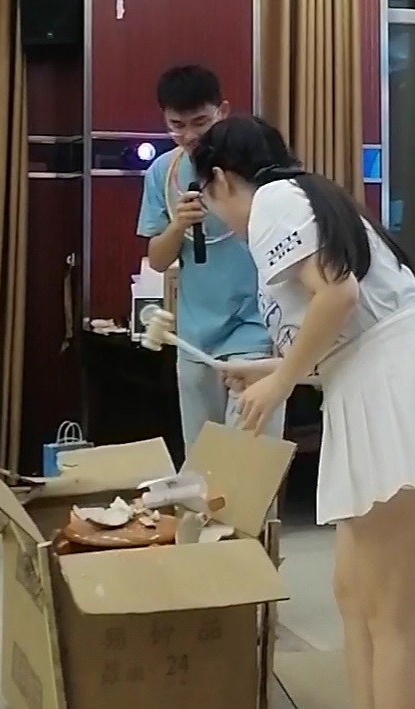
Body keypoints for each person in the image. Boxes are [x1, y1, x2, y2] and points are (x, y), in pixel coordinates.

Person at [192, 116, 415, 709]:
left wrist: (280, 382)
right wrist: (268, 369)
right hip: (375, 386)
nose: (216, 214)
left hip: (390, 393)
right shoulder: (300, 198)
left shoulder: (274, 202)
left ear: (222, 180)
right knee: (354, 595)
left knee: (392, 615)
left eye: (208, 197)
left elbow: (339, 293)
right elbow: (342, 330)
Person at [136, 65, 284, 451]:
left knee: (251, 455)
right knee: (202, 456)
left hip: (254, 327)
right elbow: (157, 260)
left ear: (223, 111)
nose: (189, 135)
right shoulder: (162, 173)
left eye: (200, 122)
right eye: (176, 125)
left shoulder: (250, 161)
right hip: (194, 335)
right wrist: (178, 224)